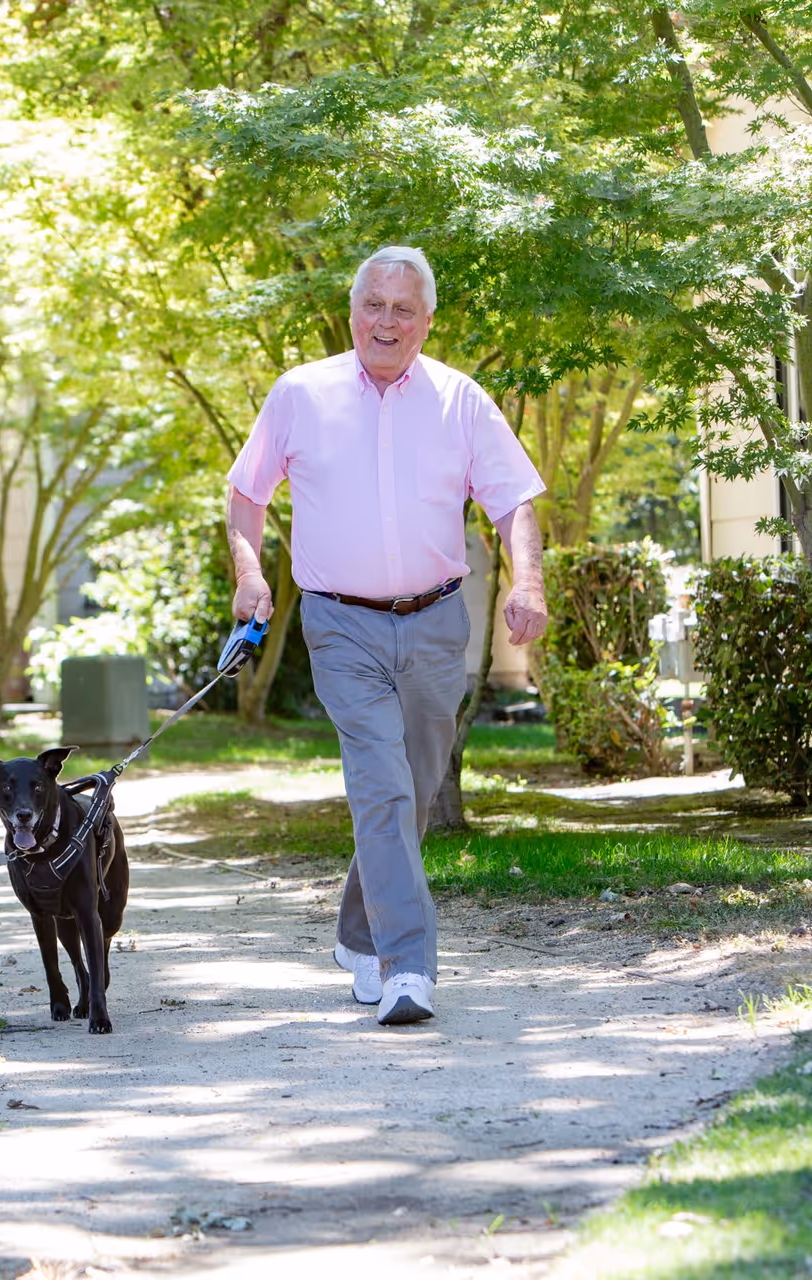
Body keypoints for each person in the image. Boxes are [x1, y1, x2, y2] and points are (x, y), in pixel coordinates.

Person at [225, 245, 548, 1025]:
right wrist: (249, 571)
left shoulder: (460, 401)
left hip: (437, 622)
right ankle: (409, 965)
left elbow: (513, 503)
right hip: (339, 622)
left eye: (405, 309)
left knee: (410, 795)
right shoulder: (301, 394)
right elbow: (246, 494)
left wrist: (527, 578)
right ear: (352, 311)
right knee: (382, 782)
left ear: (428, 322)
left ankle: (357, 933)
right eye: (375, 304)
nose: (387, 321)